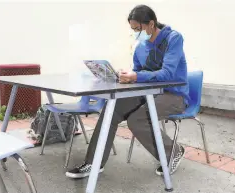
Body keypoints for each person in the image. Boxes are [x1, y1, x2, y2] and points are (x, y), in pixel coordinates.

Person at [66, 4, 190, 179]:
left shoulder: (173, 39)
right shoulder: (140, 47)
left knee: (137, 119)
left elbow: (167, 73)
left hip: (174, 95)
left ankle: (173, 151)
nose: (136, 33)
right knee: (112, 107)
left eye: (138, 28)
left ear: (151, 24)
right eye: (133, 29)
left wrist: (136, 77)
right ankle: (93, 163)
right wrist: (124, 77)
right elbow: (139, 73)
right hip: (149, 93)